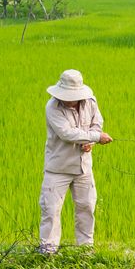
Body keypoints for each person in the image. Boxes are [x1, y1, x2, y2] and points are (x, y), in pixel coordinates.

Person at [40, 68, 111, 254]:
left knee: (86, 206)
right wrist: (96, 137)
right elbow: (66, 133)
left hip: (83, 167)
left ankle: (85, 249)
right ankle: (48, 250)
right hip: (58, 167)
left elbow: (97, 122)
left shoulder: (90, 101)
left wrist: (90, 142)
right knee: (51, 209)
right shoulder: (53, 107)